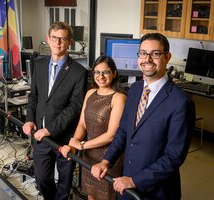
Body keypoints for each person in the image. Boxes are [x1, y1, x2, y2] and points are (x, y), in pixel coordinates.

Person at [91, 33, 196, 200]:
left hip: (157, 192)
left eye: (155, 53)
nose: (147, 59)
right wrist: (106, 161)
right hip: (126, 187)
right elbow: (123, 131)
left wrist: (135, 180)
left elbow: (174, 156)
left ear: (167, 57)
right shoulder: (134, 90)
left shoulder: (181, 102)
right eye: (143, 53)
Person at [22, 21, 88, 200]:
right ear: (48, 39)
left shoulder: (79, 72)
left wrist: (50, 129)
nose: (58, 42)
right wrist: (29, 119)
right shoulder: (39, 65)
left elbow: (75, 107)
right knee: (42, 179)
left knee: (65, 183)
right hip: (41, 137)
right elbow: (33, 96)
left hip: (64, 138)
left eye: (63, 39)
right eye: (54, 38)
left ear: (69, 42)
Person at [61, 55, 126, 200]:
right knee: (91, 196)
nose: (101, 76)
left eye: (106, 72)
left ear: (114, 73)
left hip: (108, 159)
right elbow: (82, 124)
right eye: (97, 72)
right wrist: (73, 144)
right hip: (89, 157)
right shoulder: (90, 93)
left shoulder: (119, 97)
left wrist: (82, 145)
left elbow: (111, 135)